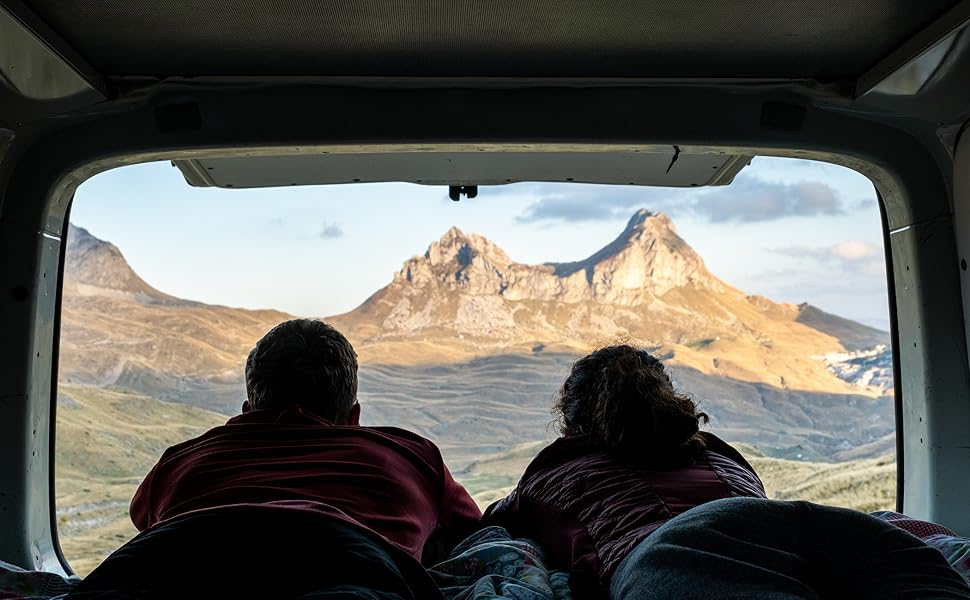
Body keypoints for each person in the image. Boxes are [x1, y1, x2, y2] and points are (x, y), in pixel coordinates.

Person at [483, 345, 970, 599]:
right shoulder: (712, 450)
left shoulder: (556, 470)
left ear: (570, 422)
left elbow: (489, 524)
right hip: (815, 524)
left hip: (675, 552)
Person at [68, 318, 481, 600]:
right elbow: (474, 530)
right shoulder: (411, 454)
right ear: (354, 418)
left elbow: (145, 520)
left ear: (247, 411)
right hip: (350, 565)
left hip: (173, 557)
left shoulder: (181, 460)